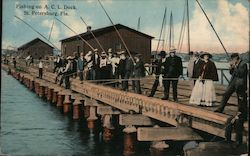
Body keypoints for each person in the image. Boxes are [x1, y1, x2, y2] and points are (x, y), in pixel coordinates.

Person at [215, 53, 248, 146]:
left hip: (240, 84)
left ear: (236, 59)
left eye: (233, 60)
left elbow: (241, 74)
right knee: (226, 94)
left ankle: (240, 112)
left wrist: (235, 67)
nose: (232, 61)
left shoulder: (243, 64)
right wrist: (231, 68)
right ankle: (220, 108)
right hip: (233, 82)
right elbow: (232, 73)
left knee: (240, 100)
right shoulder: (236, 64)